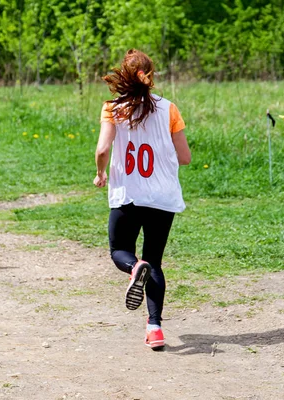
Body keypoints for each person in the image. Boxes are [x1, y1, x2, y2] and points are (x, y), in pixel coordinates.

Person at [94, 49, 191, 350]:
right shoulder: (169, 108)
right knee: (155, 261)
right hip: (162, 197)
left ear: (123, 75)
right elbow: (186, 158)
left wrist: (100, 174)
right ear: (152, 75)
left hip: (128, 194)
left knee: (120, 250)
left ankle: (133, 269)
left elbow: (102, 150)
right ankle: (155, 328)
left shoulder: (113, 108)